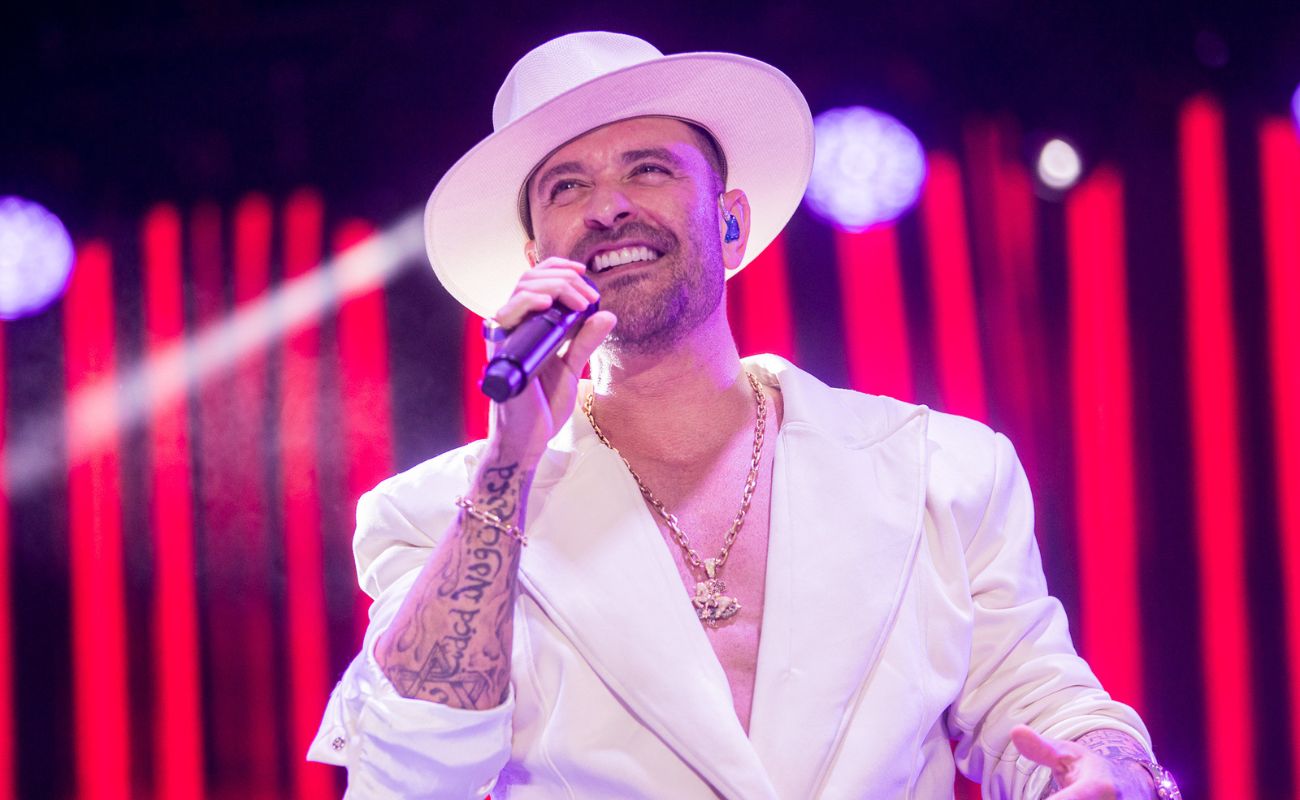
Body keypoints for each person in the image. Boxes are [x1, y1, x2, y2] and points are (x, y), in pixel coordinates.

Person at [310, 31, 1180, 799]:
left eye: (648, 168)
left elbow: (1039, 701)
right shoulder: (433, 516)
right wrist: (508, 465)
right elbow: (407, 776)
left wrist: (1115, 768)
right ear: (533, 261)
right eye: (567, 185)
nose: (607, 206)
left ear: (730, 226)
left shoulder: (936, 468)